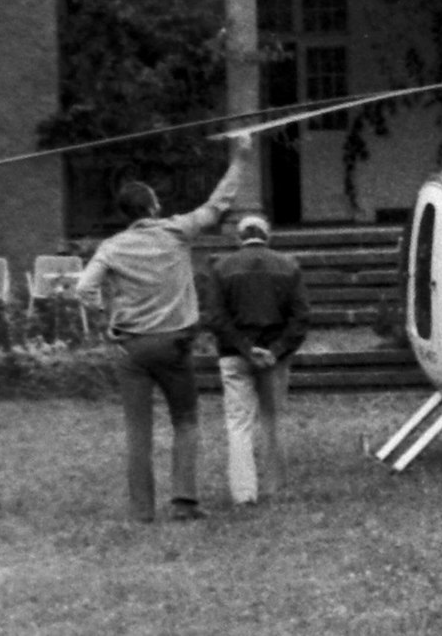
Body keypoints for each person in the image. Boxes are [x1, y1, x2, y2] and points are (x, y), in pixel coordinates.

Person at [78, 134, 254, 523]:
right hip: (174, 347)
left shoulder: (111, 247)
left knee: (138, 432)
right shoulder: (176, 230)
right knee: (186, 420)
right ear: (153, 207)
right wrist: (241, 157)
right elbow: (219, 203)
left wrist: (109, 318)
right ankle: (183, 503)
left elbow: (84, 288)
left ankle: (141, 512)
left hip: (132, 350)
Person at [200, 213, 309, 507]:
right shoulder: (288, 266)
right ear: (267, 235)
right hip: (275, 356)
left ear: (239, 238)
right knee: (272, 420)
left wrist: (246, 348)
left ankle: (244, 492)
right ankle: (274, 486)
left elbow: (216, 317)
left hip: (234, 355)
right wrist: (275, 349)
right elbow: (301, 317)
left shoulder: (221, 268)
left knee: (238, 423)